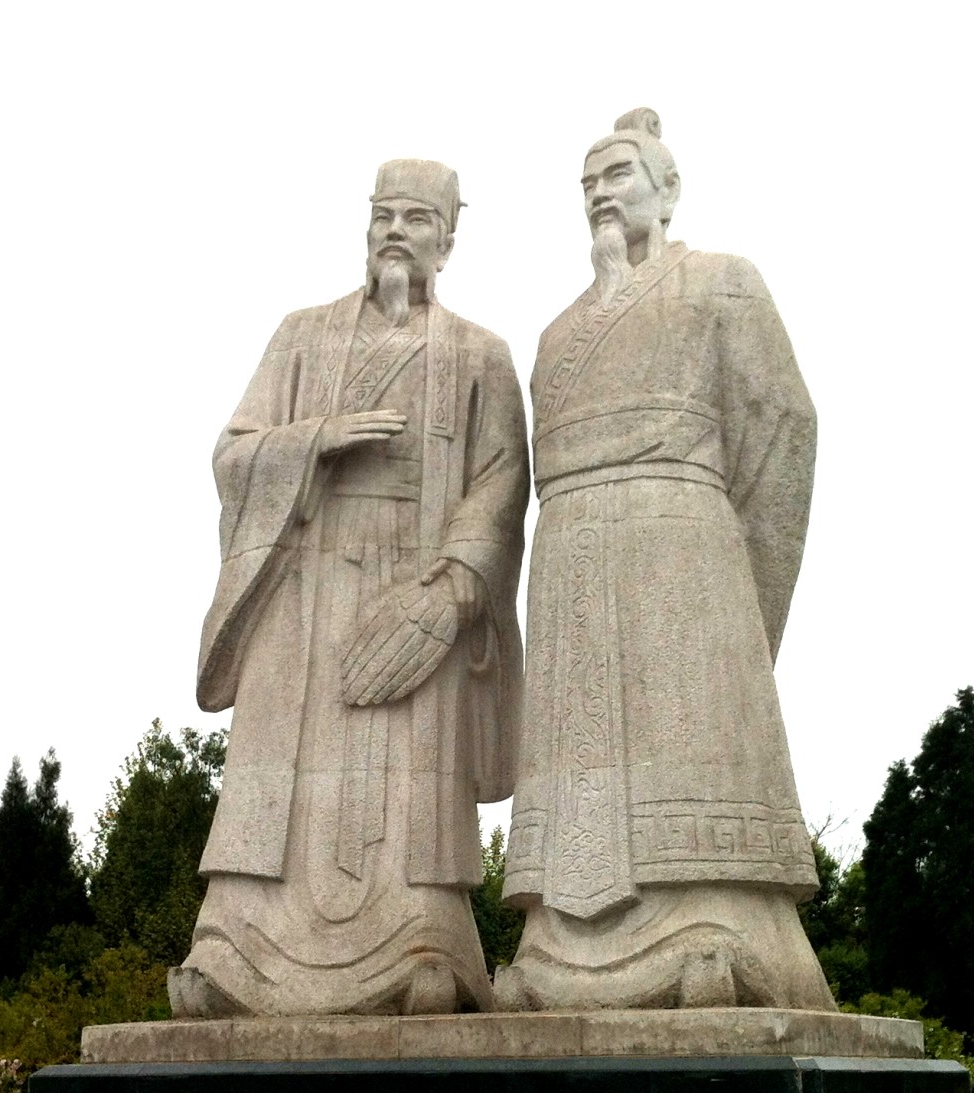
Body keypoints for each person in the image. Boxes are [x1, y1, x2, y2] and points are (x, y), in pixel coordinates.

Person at [169, 160, 528, 1018]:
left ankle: (425, 945)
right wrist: (313, 440)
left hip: (416, 596)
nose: (396, 232)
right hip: (304, 592)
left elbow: (505, 485)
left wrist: (448, 598)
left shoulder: (480, 354)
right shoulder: (303, 337)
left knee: (411, 782)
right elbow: (232, 451)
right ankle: (237, 947)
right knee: (279, 775)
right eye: (382, 216)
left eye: (415, 218)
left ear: (448, 239)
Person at [499, 109, 835, 1013]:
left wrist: (734, 582)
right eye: (588, 182)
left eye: (618, 175)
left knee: (690, 743)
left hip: (684, 551)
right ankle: (561, 944)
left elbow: (781, 428)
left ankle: (714, 916)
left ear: (668, 190)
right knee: (578, 765)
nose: (602, 193)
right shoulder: (556, 334)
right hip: (570, 553)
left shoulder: (724, 282)